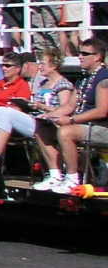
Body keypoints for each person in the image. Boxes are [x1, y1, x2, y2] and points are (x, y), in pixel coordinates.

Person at [34, 36, 108, 192]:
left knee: (66, 132)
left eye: (85, 54)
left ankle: (73, 178)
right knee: (42, 127)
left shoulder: (104, 78)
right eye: (79, 53)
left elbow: (102, 111)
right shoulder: (84, 79)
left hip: (102, 128)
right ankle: (55, 175)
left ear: (97, 57)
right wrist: (50, 115)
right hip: (83, 125)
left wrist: (71, 120)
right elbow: (69, 106)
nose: (80, 56)